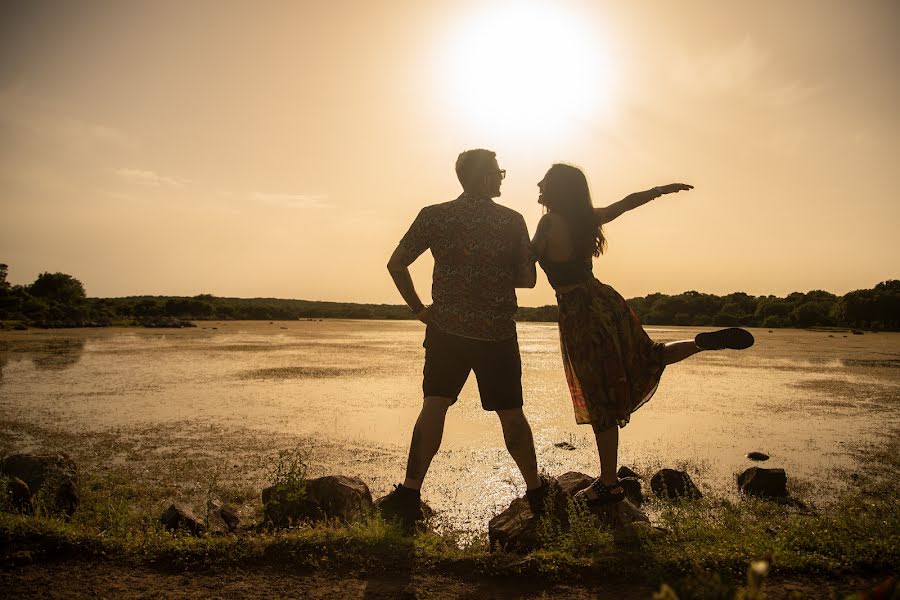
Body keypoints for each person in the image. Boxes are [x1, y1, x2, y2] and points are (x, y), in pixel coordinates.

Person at [530, 163, 754, 505]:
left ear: (557, 187)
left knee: (599, 397)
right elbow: (627, 202)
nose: (538, 184)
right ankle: (699, 342)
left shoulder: (548, 223)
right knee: (650, 354)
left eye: (544, 180)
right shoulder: (586, 217)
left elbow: (523, 261)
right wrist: (660, 190)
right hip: (606, 302)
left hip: (579, 313)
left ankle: (609, 483)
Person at [380, 149, 546, 531]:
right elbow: (527, 280)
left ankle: (409, 493)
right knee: (511, 413)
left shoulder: (435, 215)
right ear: (482, 177)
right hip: (497, 334)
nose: (502, 178)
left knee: (434, 406)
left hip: (447, 331)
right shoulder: (511, 221)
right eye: (497, 172)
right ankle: (537, 493)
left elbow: (395, 264)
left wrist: (419, 310)